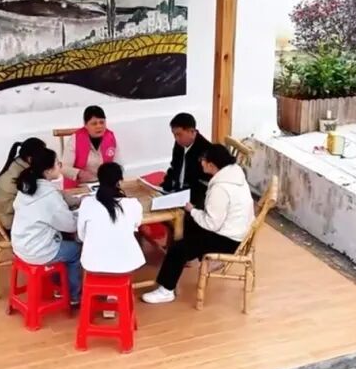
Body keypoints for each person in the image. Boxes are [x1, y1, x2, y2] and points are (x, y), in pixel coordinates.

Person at [142, 144, 255, 304]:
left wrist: (192, 210)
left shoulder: (221, 188)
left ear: (212, 165)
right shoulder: (234, 175)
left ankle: (166, 290)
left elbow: (211, 224)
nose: (201, 162)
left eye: (204, 160)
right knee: (186, 226)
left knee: (179, 248)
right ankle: (182, 262)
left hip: (227, 240)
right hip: (236, 230)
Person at [11, 148, 81, 306]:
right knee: (76, 250)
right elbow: (70, 226)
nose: (59, 166)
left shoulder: (26, 186)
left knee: (64, 243)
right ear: (48, 171)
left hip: (20, 245)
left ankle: (60, 285)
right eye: (57, 163)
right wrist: (79, 213)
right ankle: (73, 295)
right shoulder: (49, 196)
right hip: (38, 250)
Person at [77, 162, 145, 276]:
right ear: (119, 181)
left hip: (92, 265)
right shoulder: (133, 204)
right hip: (126, 265)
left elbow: (82, 236)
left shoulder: (86, 203)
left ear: (99, 180)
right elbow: (136, 225)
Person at [0, 137, 46, 231]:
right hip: (7, 222)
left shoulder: (16, 163)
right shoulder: (23, 174)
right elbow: (38, 197)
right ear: (30, 158)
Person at [161, 112, 212, 209]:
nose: (176, 138)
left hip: (194, 199)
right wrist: (166, 186)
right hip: (177, 192)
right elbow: (174, 166)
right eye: (174, 135)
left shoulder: (206, 150)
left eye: (179, 134)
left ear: (192, 131)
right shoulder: (179, 144)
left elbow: (204, 183)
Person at [61, 105, 120, 188]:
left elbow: (117, 163)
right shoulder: (75, 139)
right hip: (80, 185)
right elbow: (63, 168)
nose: (99, 126)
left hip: (104, 183)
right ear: (85, 125)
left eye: (102, 122)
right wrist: (78, 173)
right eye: (94, 123)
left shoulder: (111, 137)